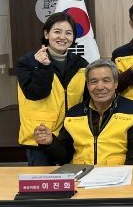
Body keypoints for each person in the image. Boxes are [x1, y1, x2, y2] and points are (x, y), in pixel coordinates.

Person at [33, 59, 133, 165]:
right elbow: (64, 156)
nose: (100, 87)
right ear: (87, 85)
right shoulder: (74, 113)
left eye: (106, 81)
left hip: (118, 175)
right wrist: (51, 142)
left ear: (115, 84)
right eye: (93, 82)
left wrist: (127, 175)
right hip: (80, 175)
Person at [16, 12, 88, 166]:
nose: (63, 37)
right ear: (46, 34)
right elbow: (35, 93)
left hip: (71, 134)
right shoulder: (28, 62)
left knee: (73, 178)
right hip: (40, 136)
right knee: (43, 179)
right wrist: (43, 68)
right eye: (57, 32)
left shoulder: (81, 63)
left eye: (68, 33)